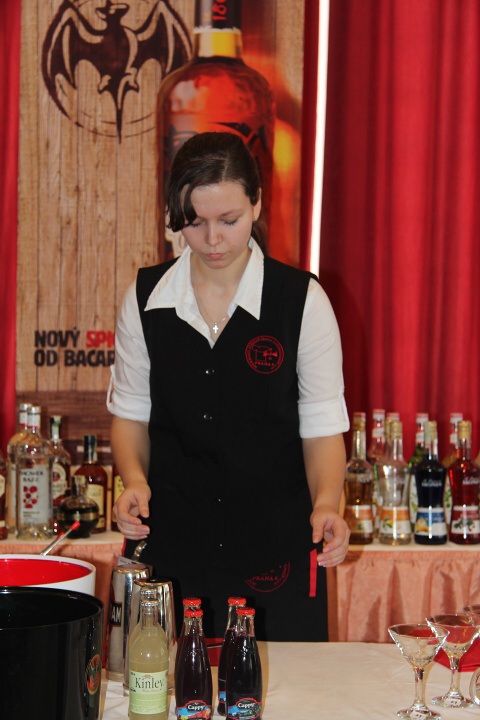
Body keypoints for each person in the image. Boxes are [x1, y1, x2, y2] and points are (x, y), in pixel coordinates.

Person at [107, 131, 350, 642]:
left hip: (276, 553)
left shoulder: (301, 301)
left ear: (256, 203)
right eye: (195, 223)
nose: (213, 239)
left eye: (229, 220)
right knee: (168, 682)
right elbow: (131, 415)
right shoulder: (145, 299)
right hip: (172, 546)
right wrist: (133, 479)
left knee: (288, 685)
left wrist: (328, 502)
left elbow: (322, 427)